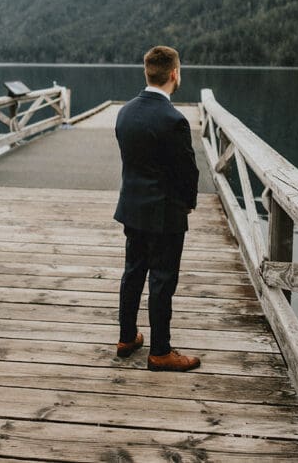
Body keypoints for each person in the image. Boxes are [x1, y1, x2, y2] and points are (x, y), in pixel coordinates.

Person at [113, 45, 201, 371]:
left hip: (132, 208)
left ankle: (126, 338)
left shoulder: (125, 113)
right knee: (162, 280)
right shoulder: (174, 120)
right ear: (174, 74)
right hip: (165, 214)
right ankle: (160, 352)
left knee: (133, 273)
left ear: (147, 72)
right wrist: (188, 203)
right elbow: (187, 171)